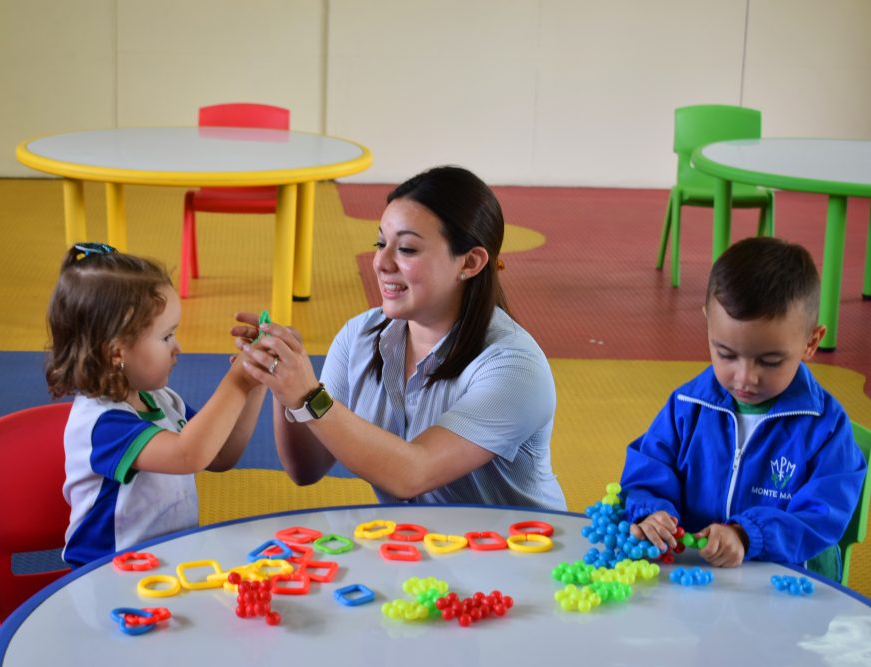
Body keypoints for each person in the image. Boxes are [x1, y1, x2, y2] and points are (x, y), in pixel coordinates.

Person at [232, 165, 565, 509]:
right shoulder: (358, 336)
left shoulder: (514, 367)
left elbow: (413, 473)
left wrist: (309, 395)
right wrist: (283, 377)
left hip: (522, 542)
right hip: (417, 539)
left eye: (406, 249)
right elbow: (306, 467)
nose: (381, 262)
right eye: (381, 243)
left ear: (470, 262)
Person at [620, 236, 866, 578]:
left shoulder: (826, 428)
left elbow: (821, 517)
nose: (745, 378)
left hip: (785, 582)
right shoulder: (686, 406)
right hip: (695, 578)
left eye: (769, 361)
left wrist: (747, 535)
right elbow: (648, 470)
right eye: (726, 354)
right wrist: (652, 513)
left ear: (811, 342)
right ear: (708, 323)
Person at [46, 243, 265, 567]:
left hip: (165, 564)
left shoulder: (161, 400)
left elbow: (219, 454)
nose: (178, 347)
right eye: (166, 337)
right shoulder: (103, 424)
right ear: (116, 353)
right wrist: (237, 382)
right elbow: (189, 455)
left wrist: (255, 380)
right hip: (106, 572)